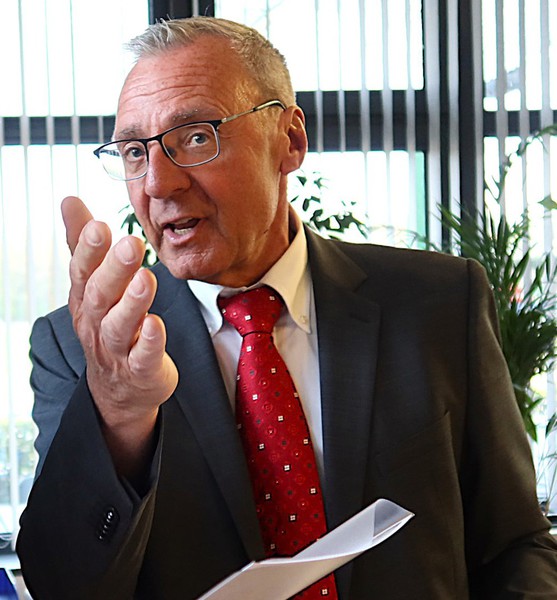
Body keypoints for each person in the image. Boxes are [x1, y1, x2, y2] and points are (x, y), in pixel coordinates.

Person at [16, 16, 557, 600]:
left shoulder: (438, 302)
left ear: (290, 140)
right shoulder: (84, 349)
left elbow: (515, 545)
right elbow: (61, 585)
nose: (158, 183)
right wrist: (118, 412)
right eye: (133, 151)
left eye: (195, 136)